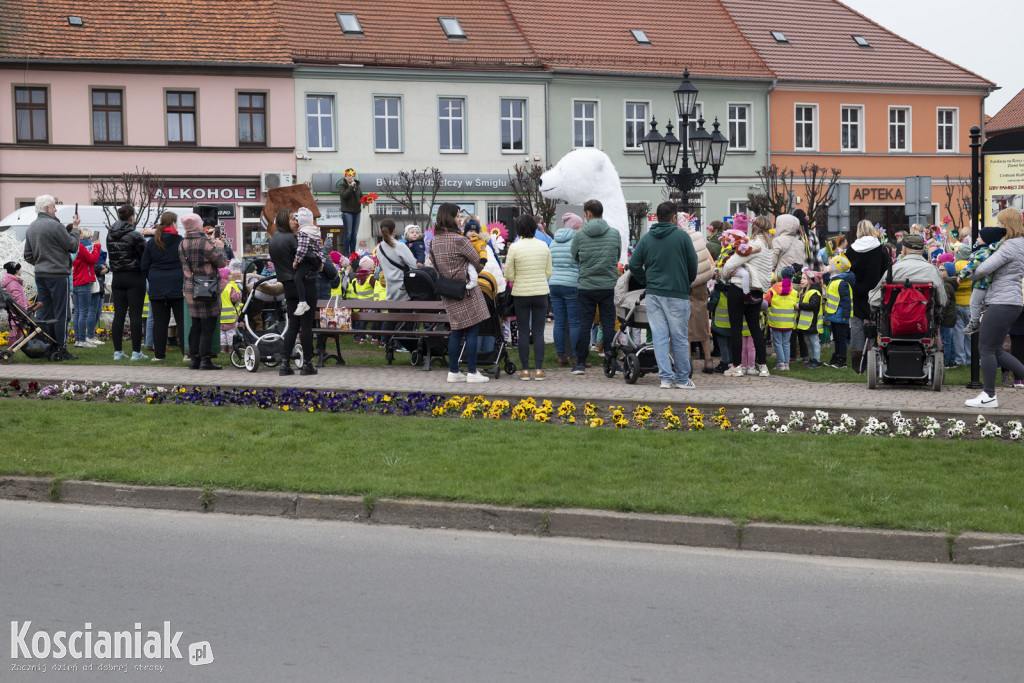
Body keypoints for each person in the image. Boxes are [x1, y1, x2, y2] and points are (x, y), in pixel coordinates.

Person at [628, 201, 699, 389]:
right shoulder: (682, 237)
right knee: (679, 338)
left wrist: (646, 280)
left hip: (654, 294)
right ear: (674, 217)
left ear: (657, 217)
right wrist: (686, 282)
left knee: (659, 337)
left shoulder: (646, 238)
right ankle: (683, 379)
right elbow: (693, 265)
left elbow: (634, 264)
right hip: (677, 292)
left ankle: (665, 378)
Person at [964, 209, 1024, 408]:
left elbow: (982, 269)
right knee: (996, 350)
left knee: (986, 348)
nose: (997, 227)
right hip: (1011, 301)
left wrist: (967, 272)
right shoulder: (1020, 244)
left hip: (1002, 302)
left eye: (999, 223)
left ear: (1007, 224)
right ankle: (989, 395)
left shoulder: (1008, 247)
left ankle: (989, 396)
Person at [428, 202, 490, 383]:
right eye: (457, 216)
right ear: (449, 218)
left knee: (456, 330)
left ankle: (453, 371)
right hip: (466, 290)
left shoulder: (433, 242)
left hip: (447, 290)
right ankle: (472, 372)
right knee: (472, 330)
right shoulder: (460, 240)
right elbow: (478, 262)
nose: (460, 219)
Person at [22, 194, 79, 360]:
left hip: (41, 274)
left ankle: (46, 347)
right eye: (54, 206)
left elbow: (27, 255)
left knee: (45, 313)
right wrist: (75, 228)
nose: (55, 209)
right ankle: (61, 348)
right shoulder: (55, 226)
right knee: (61, 312)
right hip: (58, 274)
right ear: (47, 208)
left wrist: (41, 262)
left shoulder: (31, 227)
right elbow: (73, 245)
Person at [570, 199, 620, 375]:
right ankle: (611, 361)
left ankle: (580, 363)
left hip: (587, 285)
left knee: (585, 324)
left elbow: (575, 256)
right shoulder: (614, 234)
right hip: (607, 285)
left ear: (588, 214)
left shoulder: (580, 235)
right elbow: (617, 255)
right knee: (608, 324)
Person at [721, 215, 774, 377]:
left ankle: (736, 366)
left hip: (739, 289)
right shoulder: (769, 248)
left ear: (755, 228)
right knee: (755, 329)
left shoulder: (752, 245)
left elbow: (731, 263)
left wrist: (724, 274)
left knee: (736, 329)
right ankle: (763, 366)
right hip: (757, 291)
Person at [269, 208, 319, 376]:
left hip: (287, 286)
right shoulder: (294, 238)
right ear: (284, 221)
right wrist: (318, 261)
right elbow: (307, 256)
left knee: (293, 325)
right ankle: (307, 364)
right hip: (304, 284)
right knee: (306, 326)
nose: (296, 221)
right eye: (292, 219)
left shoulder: (273, 240)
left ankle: (284, 364)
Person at [505, 214, 553, 380]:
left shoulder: (515, 247)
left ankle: (525, 370)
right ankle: (539, 369)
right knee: (539, 332)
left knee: (523, 332)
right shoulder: (543, 245)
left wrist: (519, 279)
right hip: (540, 292)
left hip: (521, 293)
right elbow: (549, 272)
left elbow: (508, 274)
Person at [180, 212, 229, 370]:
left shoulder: (182, 244)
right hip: (207, 287)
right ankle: (206, 360)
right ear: (197, 225)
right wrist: (220, 247)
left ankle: (194, 359)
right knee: (208, 325)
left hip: (190, 287)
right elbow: (221, 262)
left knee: (196, 325)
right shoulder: (204, 243)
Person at [107, 203, 150, 361]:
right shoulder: (135, 235)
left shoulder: (110, 234)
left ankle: (117, 352)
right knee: (135, 315)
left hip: (117, 276)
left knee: (119, 314)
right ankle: (136, 352)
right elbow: (144, 254)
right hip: (134, 276)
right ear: (132, 217)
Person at [141, 211, 186, 363]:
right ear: (173, 223)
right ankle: (186, 353)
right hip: (177, 284)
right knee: (181, 320)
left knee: (160, 321)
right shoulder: (180, 240)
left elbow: (144, 265)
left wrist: (153, 277)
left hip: (157, 284)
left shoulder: (153, 241)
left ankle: (158, 355)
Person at [847, 220, 890, 373]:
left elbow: (847, 271)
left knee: (857, 327)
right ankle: (875, 357)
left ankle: (858, 362)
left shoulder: (851, 250)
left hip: (857, 292)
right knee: (877, 325)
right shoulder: (881, 250)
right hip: (877, 292)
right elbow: (887, 272)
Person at [868, 234, 946, 309]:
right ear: (922, 251)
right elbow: (942, 301)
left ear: (904, 250)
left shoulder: (894, 269)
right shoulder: (933, 270)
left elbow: (874, 299)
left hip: (895, 318)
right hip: (924, 318)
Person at [681, 216, 716, 375]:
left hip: (686, 284)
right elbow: (710, 261)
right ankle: (708, 360)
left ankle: (687, 360)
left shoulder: (680, 239)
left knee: (685, 323)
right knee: (702, 322)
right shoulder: (699, 237)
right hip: (701, 284)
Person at [958, 226, 1006, 336]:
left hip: (981, 283)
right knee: (981, 303)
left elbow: (971, 265)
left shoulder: (983, 252)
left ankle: (974, 322)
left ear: (986, 239)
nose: (977, 239)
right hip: (989, 283)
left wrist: (961, 275)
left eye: (979, 237)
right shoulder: (993, 251)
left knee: (974, 303)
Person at [549, 212, 583, 367]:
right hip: (571, 284)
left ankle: (561, 355)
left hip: (554, 284)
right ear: (575, 227)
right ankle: (577, 357)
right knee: (575, 322)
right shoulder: (577, 241)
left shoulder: (554, 242)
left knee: (559, 322)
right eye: (580, 226)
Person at [71, 228, 102, 348]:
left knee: (78, 312)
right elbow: (92, 259)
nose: (82, 234)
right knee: (83, 312)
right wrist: (97, 247)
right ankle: (82, 340)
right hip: (83, 282)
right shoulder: (79, 246)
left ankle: (78, 340)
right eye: (80, 233)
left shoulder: (71, 246)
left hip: (75, 281)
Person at [823, 253, 855, 368]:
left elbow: (846, 301)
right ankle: (836, 357)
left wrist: (846, 315)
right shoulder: (834, 280)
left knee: (841, 338)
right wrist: (826, 271)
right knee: (836, 338)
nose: (828, 265)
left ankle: (842, 361)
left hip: (841, 316)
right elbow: (826, 278)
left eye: (831, 265)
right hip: (834, 315)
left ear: (836, 269)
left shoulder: (842, 283)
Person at [764, 266, 798, 371]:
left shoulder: (773, 289)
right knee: (786, 343)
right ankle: (786, 364)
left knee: (778, 343)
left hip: (776, 321)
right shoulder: (794, 292)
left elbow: (766, 302)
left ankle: (781, 363)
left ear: (780, 276)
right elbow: (795, 305)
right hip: (788, 322)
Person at [291, 207, 323, 317]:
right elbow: (320, 248)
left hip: (307, 261)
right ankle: (303, 302)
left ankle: (302, 302)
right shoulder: (315, 231)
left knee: (297, 278)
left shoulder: (303, 232)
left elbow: (302, 248)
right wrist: (322, 262)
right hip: (315, 260)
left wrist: (296, 261)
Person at [376, 219, 417, 301]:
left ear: (381, 231)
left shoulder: (379, 249)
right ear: (395, 230)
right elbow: (414, 266)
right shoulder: (400, 246)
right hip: (404, 292)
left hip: (390, 294)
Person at [2, 261, 38, 345]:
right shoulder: (13, 283)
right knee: (14, 325)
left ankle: (20, 342)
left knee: (19, 325)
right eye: (20, 269)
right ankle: (13, 343)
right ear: (16, 271)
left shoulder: (14, 281)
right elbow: (17, 298)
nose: (21, 270)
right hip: (18, 309)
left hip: (17, 309)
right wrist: (24, 309)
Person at [796, 270, 824, 368]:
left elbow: (813, 305)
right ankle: (812, 359)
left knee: (814, 341)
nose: (801, 281)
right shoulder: (804, 292)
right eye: (801, 279)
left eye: (804, 279)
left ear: (811, 281)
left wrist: (800, 305)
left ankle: (817, 360)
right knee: (807, 341)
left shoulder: (814, 292)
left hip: (813, 322)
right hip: (806, 323)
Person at [952, 242, 973, 365]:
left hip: (957, 303)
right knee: (970, 333)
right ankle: (970, 359)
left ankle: (960, 360)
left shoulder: (954, 266)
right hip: (970, 303)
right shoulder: (972, 266)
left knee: (958, 333)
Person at [339, 168, 363, 256]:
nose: (351, 177)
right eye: (349, 175)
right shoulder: (342, 186)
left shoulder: (357, 186)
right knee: (348, 234)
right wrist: (351, 187)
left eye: (353, 175)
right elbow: (344, 196)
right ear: (345, 176)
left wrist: (366, 200)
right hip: (347, 212)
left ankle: (353, 253)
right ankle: (347, 253)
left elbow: (360, 196)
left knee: (354, 234)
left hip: (357, 212)